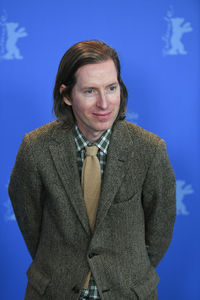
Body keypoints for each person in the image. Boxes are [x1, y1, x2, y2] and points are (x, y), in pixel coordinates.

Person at [9, 40, 176, 300]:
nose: (104, 103)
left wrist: (127, 270)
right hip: (54, 291)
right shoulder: (35, 148)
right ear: (66, 95)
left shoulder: (149, 149)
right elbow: (29, 220)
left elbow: (161, 226)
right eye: (90, 91)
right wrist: (59, 263)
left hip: (129, 292)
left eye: (111, 88)